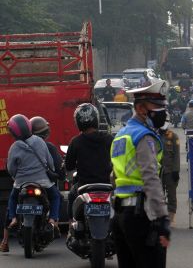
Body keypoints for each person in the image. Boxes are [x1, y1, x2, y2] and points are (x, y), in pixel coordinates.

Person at [110, 81, 171, 267]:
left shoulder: (121, 135)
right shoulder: (144, 136)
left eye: (163, 107)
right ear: (140, 108)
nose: (161, 111)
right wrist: (162, 218)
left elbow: (113, 177)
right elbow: (151, 178)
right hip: (142, 215)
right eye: (156, 107)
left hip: (121, 214)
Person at [1, 114, 60, 253]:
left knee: (13, 198)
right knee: (56, 196)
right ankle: (53, 221)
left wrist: (17, 177)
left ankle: (14, 218)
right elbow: (50, 163)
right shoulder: (40, 142)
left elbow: (10, 168)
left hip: (21, 183)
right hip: (43, 182)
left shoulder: (14, 147)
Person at [65, 103, 114, 220]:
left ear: (78, 122)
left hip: (84, 186)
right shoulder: (109, 139)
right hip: (108, 185)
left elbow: (69, 165)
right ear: (96, 119)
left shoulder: (76, 142)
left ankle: (72, 226)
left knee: (71, 196)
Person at [30, 116, 66, 183]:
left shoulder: (21, 146)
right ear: (46, 132)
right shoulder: (49, 147)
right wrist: (62, 176)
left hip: (25, 183)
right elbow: (58, 168)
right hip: (46, 184)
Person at [159, 122, 181, 226]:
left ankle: (171, 218)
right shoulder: (154, 135)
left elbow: (176, 155)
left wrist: (176, 170)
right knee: (159, 195)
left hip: (170, 171)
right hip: (158, 171)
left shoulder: (173, 136)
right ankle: (161, 217)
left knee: (171, 195)